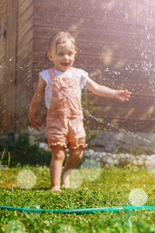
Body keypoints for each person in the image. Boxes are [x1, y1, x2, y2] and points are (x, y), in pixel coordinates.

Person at [29, 31, 131, 191]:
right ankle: (55, 186)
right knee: (58, 154)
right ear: (51, 56)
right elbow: (38, 96)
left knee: (77, 154)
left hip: (75, 121)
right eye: (60, 54)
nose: (66, 58)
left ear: (75, 54)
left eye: (70, 53)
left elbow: (96, 88)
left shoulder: (79, 74)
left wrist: (115, 93)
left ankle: (65, 173)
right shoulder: (46, 75)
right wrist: (32, 113)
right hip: (56, 121)